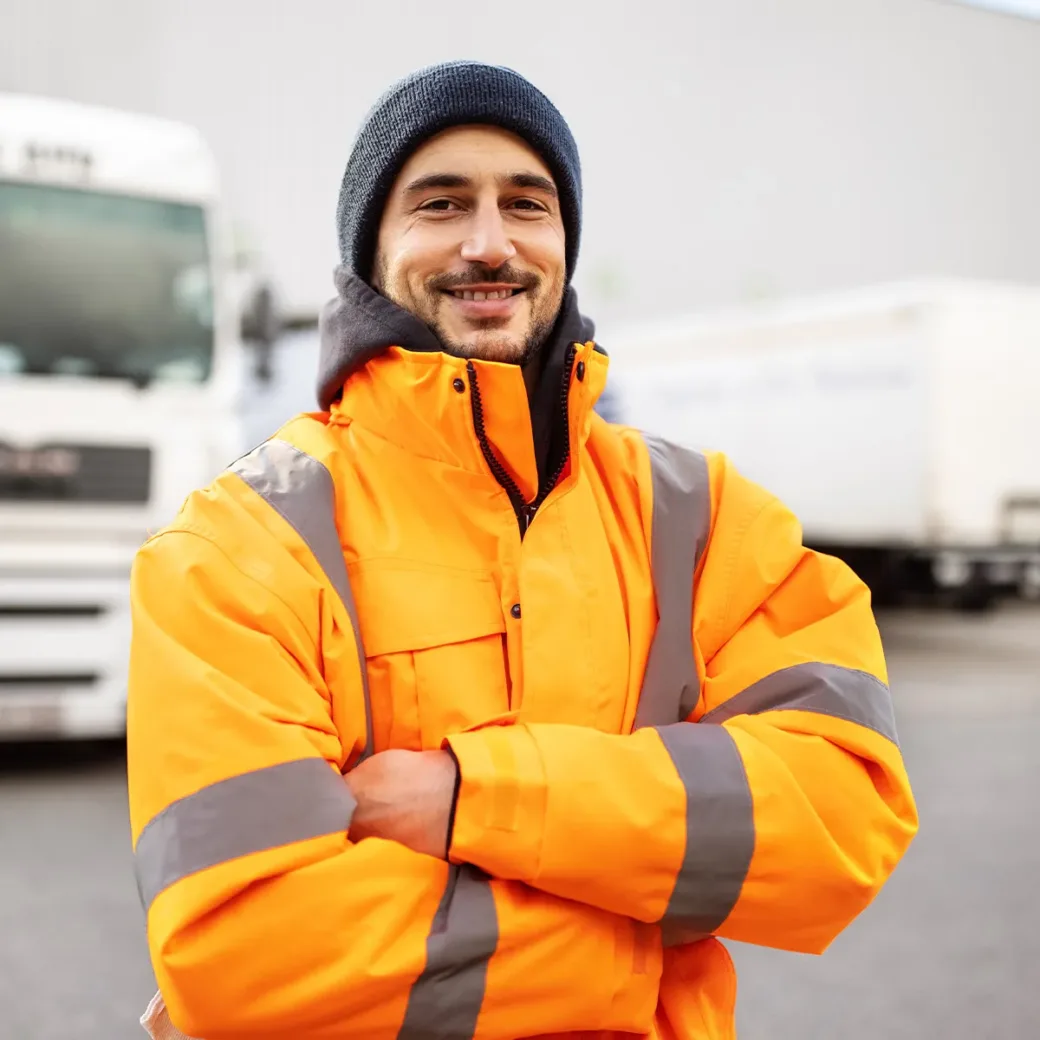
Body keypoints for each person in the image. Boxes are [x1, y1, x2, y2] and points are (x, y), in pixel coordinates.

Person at [127, 61, 918, 1040]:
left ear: (564, 240)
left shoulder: (704, 516)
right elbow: (242, 955)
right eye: (440, 202)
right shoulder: (236, 544)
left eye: (525, 202)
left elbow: (839, 818)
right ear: (371, 249)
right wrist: (638, 950)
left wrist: (475, 795)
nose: (488, 242)